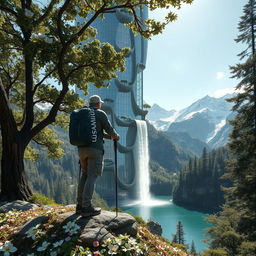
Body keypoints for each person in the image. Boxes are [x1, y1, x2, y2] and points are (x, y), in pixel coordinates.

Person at [76, 95, 120, 217]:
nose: (101, 105)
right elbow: (109, 129)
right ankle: (86, 207)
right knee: (92, 176)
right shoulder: (100, 114)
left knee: (84, 175)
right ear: (98, 104)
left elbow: (99, 133)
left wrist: (108, 137)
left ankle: (79, 206)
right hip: (94, 150)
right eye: (100, 103)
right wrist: (116, 136)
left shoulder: (83, 114)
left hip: (81, 149)